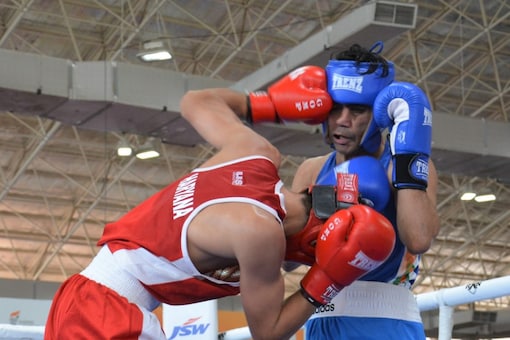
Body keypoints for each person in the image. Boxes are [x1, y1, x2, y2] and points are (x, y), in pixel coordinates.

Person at [43, 66, 397, 340]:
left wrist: (269, 103)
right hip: (106, 312)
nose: (293, 263)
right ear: (314, 238)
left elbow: (196, 101)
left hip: (84, 296)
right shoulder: (261, 233)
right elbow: (268, 332)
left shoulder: (257, 154)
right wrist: (327, 278)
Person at [289, 43, 441, 339]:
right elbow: (288, 261)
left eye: (357, 110)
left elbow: (419, 238)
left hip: (388, 319)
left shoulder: (397, 166)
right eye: (335, 109)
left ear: (381, 112)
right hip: (322, 316)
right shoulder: (311, 169)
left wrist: (408, 155)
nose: (342, 120)